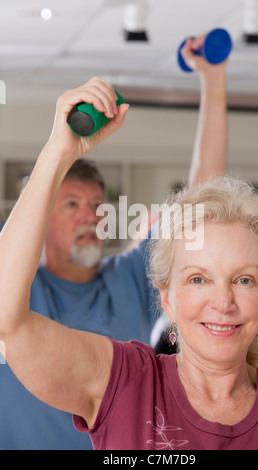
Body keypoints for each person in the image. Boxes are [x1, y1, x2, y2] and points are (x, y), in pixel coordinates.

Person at [0, 85, 258, 448]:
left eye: (244, 279)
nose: (223, 301)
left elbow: (200, 206)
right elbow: (6, 317)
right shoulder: (127, 381)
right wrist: (58, 152)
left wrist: (212, 79)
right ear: (167, 297)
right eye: (199, 279)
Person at [0, 35, 229, 450]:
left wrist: (213, 81)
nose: (90, 215)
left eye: (96, 204)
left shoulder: (131, 276)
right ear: (43, 220)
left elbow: (202, 198)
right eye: (71, 204)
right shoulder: (23, 288)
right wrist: (60, 152)